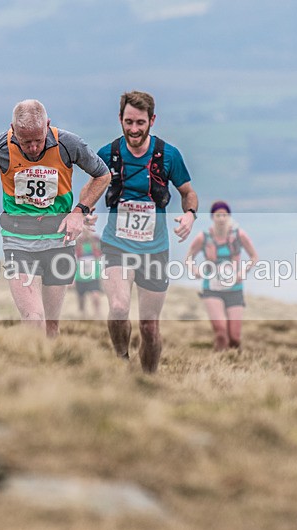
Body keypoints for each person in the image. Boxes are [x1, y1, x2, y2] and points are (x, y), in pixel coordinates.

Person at [0, 99, 111, 337]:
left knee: (51, 327)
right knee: (33, 319)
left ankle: (50, 370)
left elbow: (102, 175)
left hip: (59, 240)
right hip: (18, 238)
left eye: (39, 140)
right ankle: (30, 370)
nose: (34, 147)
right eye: (26, 142)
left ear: (47, 125)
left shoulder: (69, 144)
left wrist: (79, 212)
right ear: (12, 129)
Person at [98, 90, 198, 373]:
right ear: (120, 119)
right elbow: (91, 188)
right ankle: (121, 362)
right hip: (116, 245)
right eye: (128, 121)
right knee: (118, 308)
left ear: (152, 120)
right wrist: (84, 212)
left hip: (155, 250)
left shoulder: (168, 155)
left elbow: (188, 192)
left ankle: (149, 380)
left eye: (140, 122)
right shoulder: (108, 154)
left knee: (150, 326)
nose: (133, 129)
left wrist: (190, 216)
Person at [184, 200, 258, 351]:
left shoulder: (239, 235)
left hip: (234, 288)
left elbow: (254, 257)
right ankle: (218, 363)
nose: (222, 218)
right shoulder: (204, 237)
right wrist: (194, 269)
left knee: (235, 337)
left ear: (229, 217)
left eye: (224, 215)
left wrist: (243, 271)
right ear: (213, 217)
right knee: (220, 330)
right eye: (218, 215)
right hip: (212, 288)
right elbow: (188, 257)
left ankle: (235, 361)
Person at [73, 229, 103, 319]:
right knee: (81, 299)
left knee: (95, 296)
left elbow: (101, 256)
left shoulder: (96, 243)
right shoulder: (77, 245)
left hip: (94, 276)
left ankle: (97, 315)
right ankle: (82, 315)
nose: (86, 233)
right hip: (80, 277)